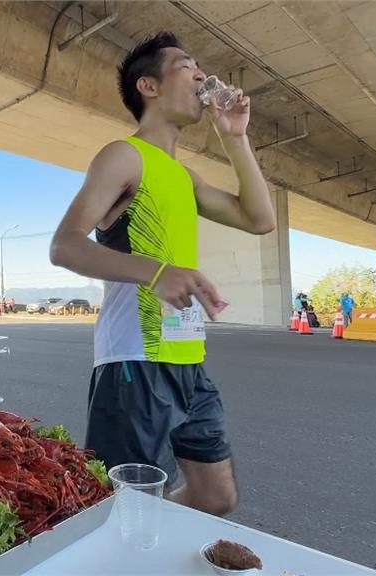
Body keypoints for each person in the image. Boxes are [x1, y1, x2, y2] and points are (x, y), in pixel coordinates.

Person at [50, 32, 274, 517]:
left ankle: (146, 524)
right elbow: (64, 245)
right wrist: (156, 273)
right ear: (149, 86)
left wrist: (235, 138)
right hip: (135, 362)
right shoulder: (124, 155)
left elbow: (260, 220)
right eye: (186, 66)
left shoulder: (184, 176)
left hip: (188, 362)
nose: (200, 75)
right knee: (115, 506)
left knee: (215, 495)